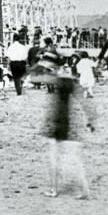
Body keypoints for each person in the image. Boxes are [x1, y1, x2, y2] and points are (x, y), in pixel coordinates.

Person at [32, 51, 94, 199]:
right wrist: (91, 119)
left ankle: (54, 189)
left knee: (54, 157)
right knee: (73, 158)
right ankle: (84, 189)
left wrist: (41, 63)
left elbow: (32, 76)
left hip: (55, 121)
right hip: (68, 121)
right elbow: (84, 102)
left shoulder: (53, 79)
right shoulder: (68, 80)